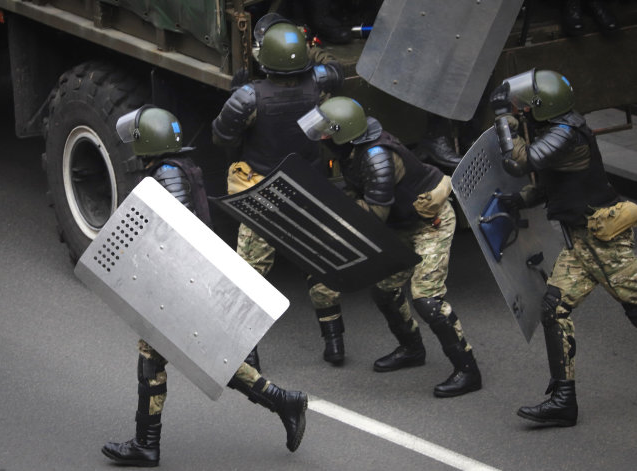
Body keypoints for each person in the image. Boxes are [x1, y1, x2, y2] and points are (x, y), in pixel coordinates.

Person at [102, 106, 308, 467]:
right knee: (204, 360)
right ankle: (282, 401)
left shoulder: (167, 175)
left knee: (159, 361)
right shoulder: (176, 169)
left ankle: (146, 445)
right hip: (185, 283)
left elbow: (174, 236)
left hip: (180, 285)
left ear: (148, 142)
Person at [297, 96, 483, 397]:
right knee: (384, 290)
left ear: (344, 133)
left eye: (327, 133)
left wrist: (331, 208)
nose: (323, 138)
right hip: (401, 223)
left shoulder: (376, 156)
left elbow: (374, 215)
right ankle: (412, 349)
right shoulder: (354, 149)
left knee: (428, 300)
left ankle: (467, 370)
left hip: (428, 224)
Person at [489, 69, 637, 426]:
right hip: (580, 243)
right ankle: (562, 402)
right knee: (554, 310)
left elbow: (518, 161)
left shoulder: (567, 134)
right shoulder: (557, 132)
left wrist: (502, 118)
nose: (521, 108)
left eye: (526, 104)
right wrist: (519, 200)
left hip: (606, 241)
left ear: (542, 105)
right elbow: (552, 184)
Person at [212, 14, 344, 355]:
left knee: (250, 277)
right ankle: (334, 342)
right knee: (320, 267)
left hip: (263, 193)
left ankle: (247, 352)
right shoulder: (319, 85)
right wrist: (308, 52)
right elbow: (335, 69)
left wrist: (234, 92)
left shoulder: (249, 97)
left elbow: (221, 135)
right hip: (309, 188)